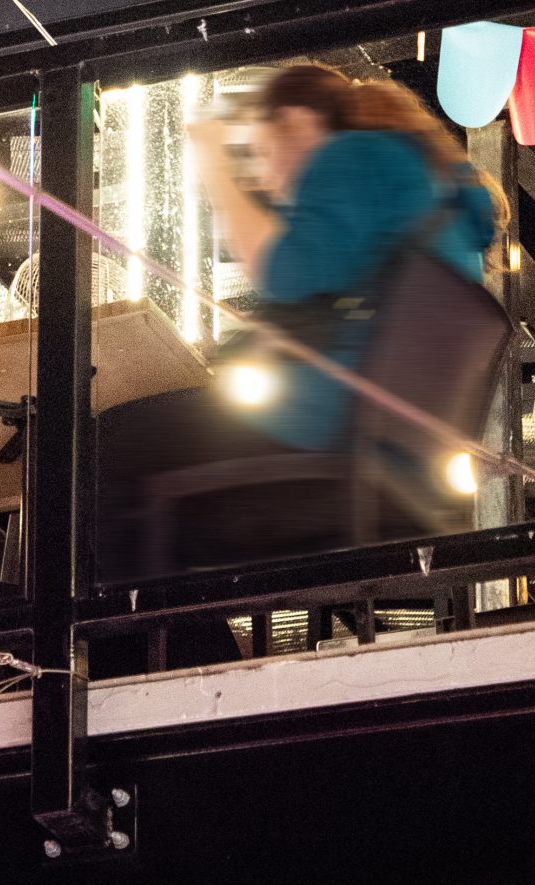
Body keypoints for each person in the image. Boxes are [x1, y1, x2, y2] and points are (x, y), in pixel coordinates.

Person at [95, 61, 502, 578]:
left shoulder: (352, 156)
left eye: (262, 153)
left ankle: (111, 627)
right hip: (398, 463)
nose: (263, 179)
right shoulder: (428, 188)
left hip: (328, 435)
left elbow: (282, 270)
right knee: (172, 512)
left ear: (296, 121)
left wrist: (216, 166)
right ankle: (170, 621)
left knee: (104, 443)